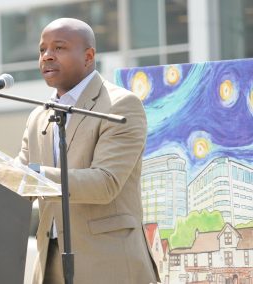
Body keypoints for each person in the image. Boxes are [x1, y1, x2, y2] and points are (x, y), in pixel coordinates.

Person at [16, 18, 160, 284]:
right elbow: (20, 181)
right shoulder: (38, 116)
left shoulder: (120, 106)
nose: (47, 56)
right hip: (51, 265)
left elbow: (106, 182)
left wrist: (35, 175)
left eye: (58, 48)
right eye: (42, 49)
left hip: (110, 264)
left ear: (89, 56)